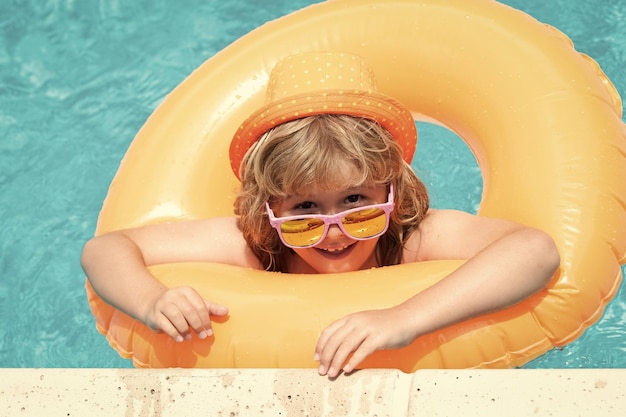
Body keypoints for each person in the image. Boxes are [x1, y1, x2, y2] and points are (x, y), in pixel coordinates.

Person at [81, 51, 560, 378]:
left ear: (391, 190)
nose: (335, 233)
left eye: (357, 203)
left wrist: (404, 318)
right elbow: (106, 249)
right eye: (304, 211)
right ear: (269, 208)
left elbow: (534, 250)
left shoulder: (407, 236)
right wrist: (153, 301)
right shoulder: (257, 245)